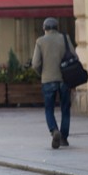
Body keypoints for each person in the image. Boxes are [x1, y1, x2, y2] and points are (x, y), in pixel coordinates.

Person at [32, 17, 73, 149]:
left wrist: (42, 73)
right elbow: (74, 56)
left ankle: (54, 130)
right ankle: (64, 138)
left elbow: (35, 63)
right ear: (57, 28)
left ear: (44, 28)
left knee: (49, 109)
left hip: (48, 79)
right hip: (64, 79)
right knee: (65, 109)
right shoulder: (65, 39)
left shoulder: (40, 41)